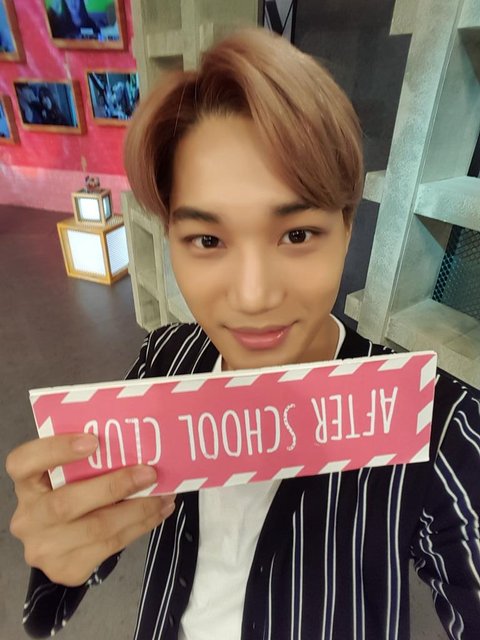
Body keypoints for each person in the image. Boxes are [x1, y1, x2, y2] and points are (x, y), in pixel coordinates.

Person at [6, 27, 480, 640]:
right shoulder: (165, 358)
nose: (254, 297)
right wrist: (63, 546)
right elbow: (92, 523)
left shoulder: (433, 423)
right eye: (207, 240)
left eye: (297, 234)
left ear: (346, 227)